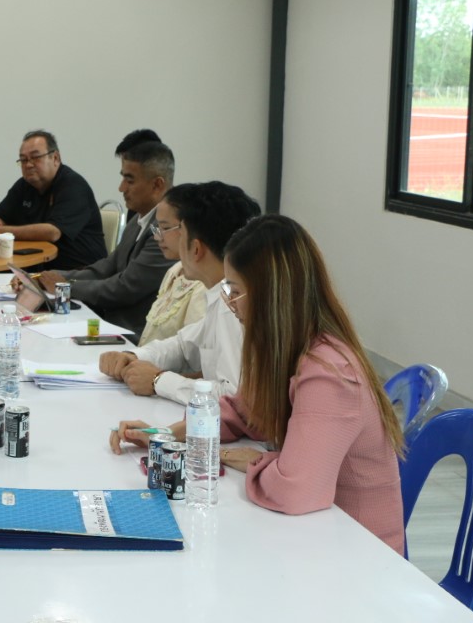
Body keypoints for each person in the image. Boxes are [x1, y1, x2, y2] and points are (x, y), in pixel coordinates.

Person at [110, 215, 405, 554]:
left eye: (235, 291)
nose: (228, 302)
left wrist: (244, 458)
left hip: (360, 556)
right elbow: (242, 411)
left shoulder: (331, 373)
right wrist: (165, 436)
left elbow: (296, 490)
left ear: (271, 296)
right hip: (317, 536)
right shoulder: (288, 348)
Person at [99, 181, 260, 404]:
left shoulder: (233, 305)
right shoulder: (219, 294)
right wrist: (133, 357)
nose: (159, 238)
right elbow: (184, 346)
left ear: (196, 248)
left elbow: (233, 396)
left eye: (180, 235)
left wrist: (158, 381)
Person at [37, 139, 176, 340]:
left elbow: (124, 288)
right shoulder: (138, 220)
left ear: (157, 184)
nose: (121, 188)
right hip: (108, 321)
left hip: (134, 335)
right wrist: (51, 277)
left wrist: (65, 287)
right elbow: (106, 267)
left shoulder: (165, 232)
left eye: (130, 181)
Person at [0, 130, 107, 269]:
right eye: (23, 160)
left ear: (55, 158)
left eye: (35, 157)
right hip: (35, 265)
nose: (28, 165)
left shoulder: (73, 185)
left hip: (78, 272)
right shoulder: (24, 185)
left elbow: (52, 232)